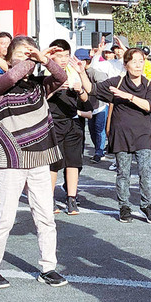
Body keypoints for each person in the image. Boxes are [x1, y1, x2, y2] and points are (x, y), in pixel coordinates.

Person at [0, 35, 69, 289]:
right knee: (4, 218)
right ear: (8, 59)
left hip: (40, 158)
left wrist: (46, 61)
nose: (26, 58)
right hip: (10, 159)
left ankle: (48, 267)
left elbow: (62, 78)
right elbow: (10, 77)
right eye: (20, 54)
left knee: (45, 217)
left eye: (30, 53)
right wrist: (33, 59)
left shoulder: (40, 85)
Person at [94, 47, 151, 224]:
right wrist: (81, 73)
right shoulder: (116, 82)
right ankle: (124, 206)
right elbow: (94, 90)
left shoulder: (149, 84)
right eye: (134, 61)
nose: (138, 65)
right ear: (126, 65)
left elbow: (149, 106)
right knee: (123, 173)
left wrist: (128, 96)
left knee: (146, 172)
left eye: (141, 61)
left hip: (143, 134)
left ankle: (147, 205)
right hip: (121, 134)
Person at [46, 39, 91, 216]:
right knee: (54, 163)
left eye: (66, 55)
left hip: (73, 122)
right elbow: (39, 99)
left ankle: (71, 198)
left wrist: (80, 90)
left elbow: (87, 99)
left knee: (73, 162)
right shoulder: (46, 75)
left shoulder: (74, 72)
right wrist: (55, 90)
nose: (63, 59)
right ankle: (49, 198)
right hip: (53, 123)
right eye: (59, 56)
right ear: (52, 57)